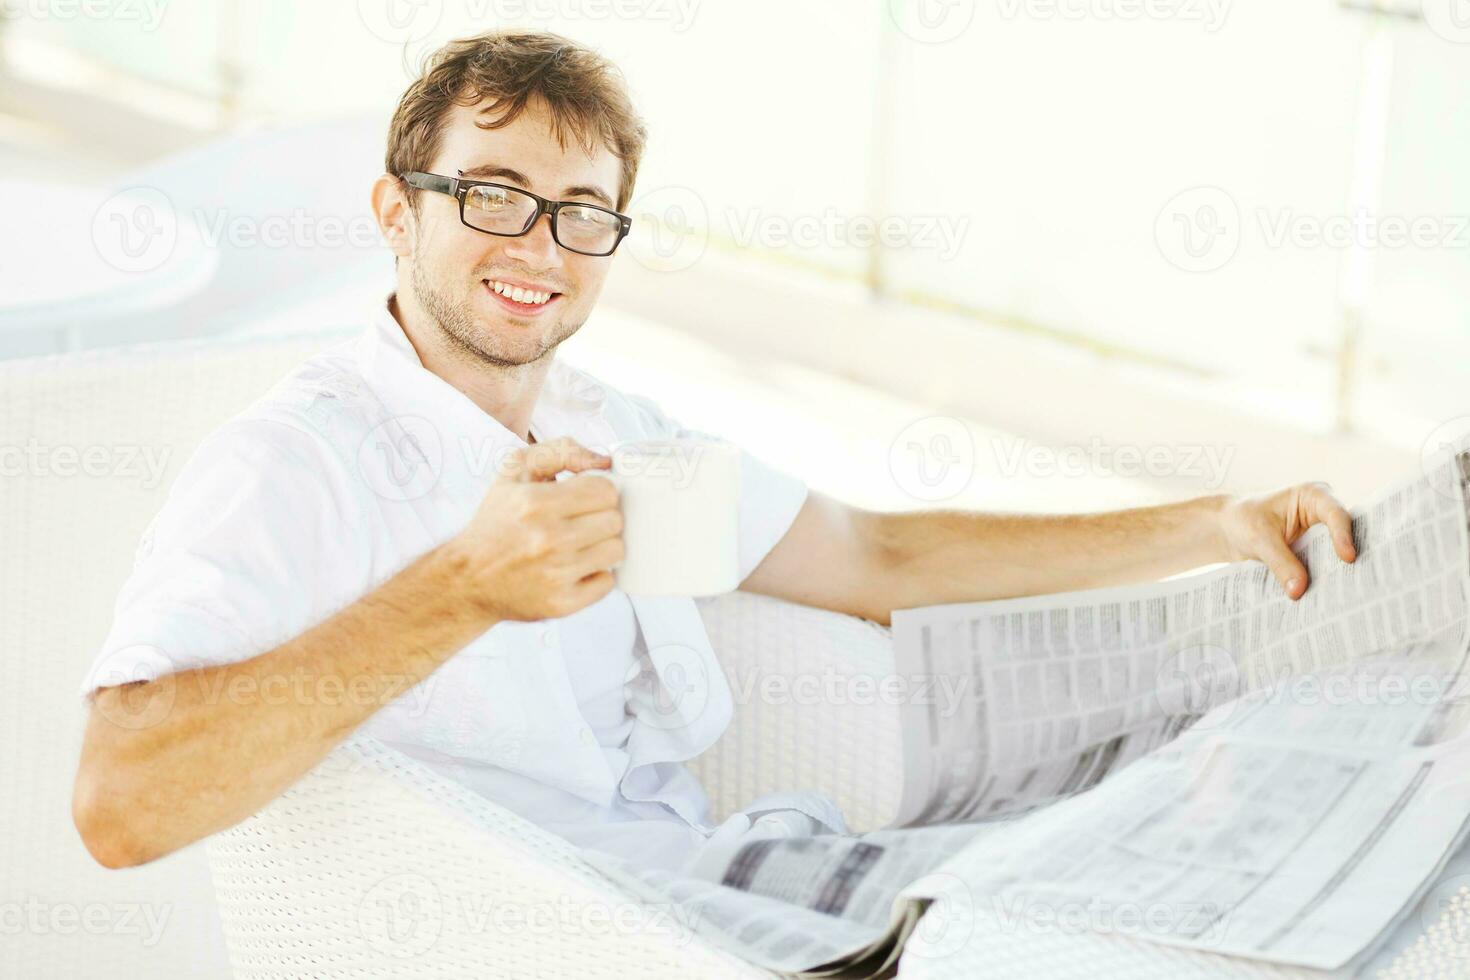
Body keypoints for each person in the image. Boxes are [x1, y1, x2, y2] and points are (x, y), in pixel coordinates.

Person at [71, 29, 1358, 872]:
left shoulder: (613, 437)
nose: (541, 248)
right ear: (395, 212)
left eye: (584, 214)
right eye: (495, 194)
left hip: (729, 879)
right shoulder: (293, 464)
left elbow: (868, 552)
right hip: (573, 935)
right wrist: (461, 587)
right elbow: (119, 801)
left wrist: (1205, 524)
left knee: (1158, 847)